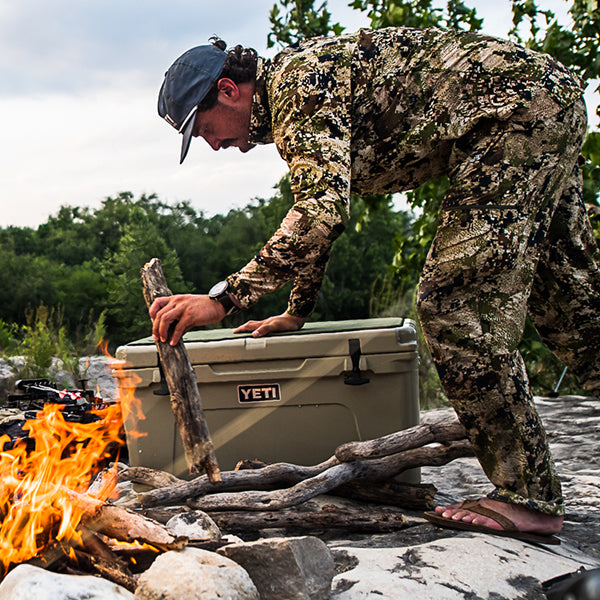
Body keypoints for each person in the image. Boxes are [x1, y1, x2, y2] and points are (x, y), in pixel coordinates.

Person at [151, 27, 600, 544]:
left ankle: (527, 497)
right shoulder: (298, 98)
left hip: (515, 116)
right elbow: (319, 215)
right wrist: (297, 312)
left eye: (204, 128)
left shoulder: (301, 84)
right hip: (543, 101)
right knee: (574, 307)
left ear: (229, 90)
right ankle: (530, 493)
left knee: (453, 307)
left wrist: (223, 299)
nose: (212, 144)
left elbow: (319, 215)